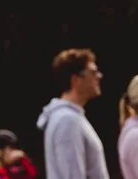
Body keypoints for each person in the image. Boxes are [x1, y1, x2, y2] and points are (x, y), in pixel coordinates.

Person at [36, 49, 109, 179]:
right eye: (93, 72)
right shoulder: (67, 120)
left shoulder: (71, 117)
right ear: (76, 80)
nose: (99, 76)